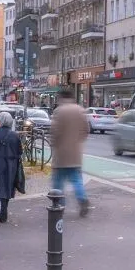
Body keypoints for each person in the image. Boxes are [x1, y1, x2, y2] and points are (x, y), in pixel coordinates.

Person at [50, 88, 90, 217]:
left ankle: (59, 205)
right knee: (77, 179)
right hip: (75, 153)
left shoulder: (59, 111)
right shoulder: (80, 110)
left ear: (61, 97)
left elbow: (55, 132)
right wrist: (78, 141)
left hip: (61, 153)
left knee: (58, 182)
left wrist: (54, 144)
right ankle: (82, 198)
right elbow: (86, 130)